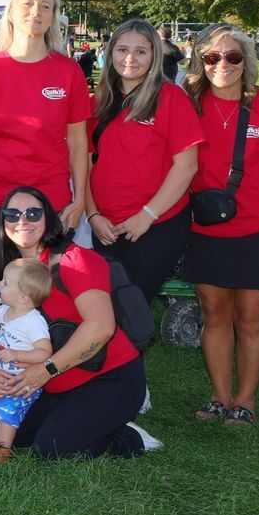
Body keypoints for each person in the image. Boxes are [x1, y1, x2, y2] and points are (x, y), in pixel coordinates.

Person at [184, 24, 259, 428]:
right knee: (213, 315)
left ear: (246, 62)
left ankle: (245, 400)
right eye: (213, 57)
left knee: (252, 318)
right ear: (200, 62)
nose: (223, 64)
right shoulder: (187, 106)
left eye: (233, 57)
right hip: (206, 232)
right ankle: (220, 397)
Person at [0, 185, 160, 458]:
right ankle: (88, 421)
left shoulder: (75, 261)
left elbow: (101, 327)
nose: (22, 221)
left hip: (110, 378)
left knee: (51, 449)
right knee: (10, 435)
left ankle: (129, 437)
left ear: (49, 219)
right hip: (56, 383)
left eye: (33, 213)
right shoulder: (9, 272)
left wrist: (45, 370)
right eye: (12, 213)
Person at [0, 0, 89, 242]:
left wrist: (80, 200)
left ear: (53, 18)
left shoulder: (69, 71)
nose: (35, 11)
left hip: (51, 198)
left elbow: (78, 142)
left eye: (45, 6)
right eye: (28, 4)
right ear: (12, 13)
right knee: (3, 281)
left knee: (50, 279)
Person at [85, 18, 201, 302]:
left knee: (131, 308)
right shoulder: (97, 102)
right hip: (106, 226)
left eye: (141, 51)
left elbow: (187, 166)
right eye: (122, 50)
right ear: (110, 53)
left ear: (154, 56)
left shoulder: (171, 98)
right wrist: (93, 215)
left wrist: (147, 216)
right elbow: (86, 163)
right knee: (103, 306)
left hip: (157, 224)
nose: (130, 59)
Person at [0, 258, 53, 460]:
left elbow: (44, 352)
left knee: (7, 412)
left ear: (23, 298)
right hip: (0, 375)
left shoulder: (33, 321)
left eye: (5, 283)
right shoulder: (3, 311)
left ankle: (3, 448)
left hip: (21, 380)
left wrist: (17, 355)